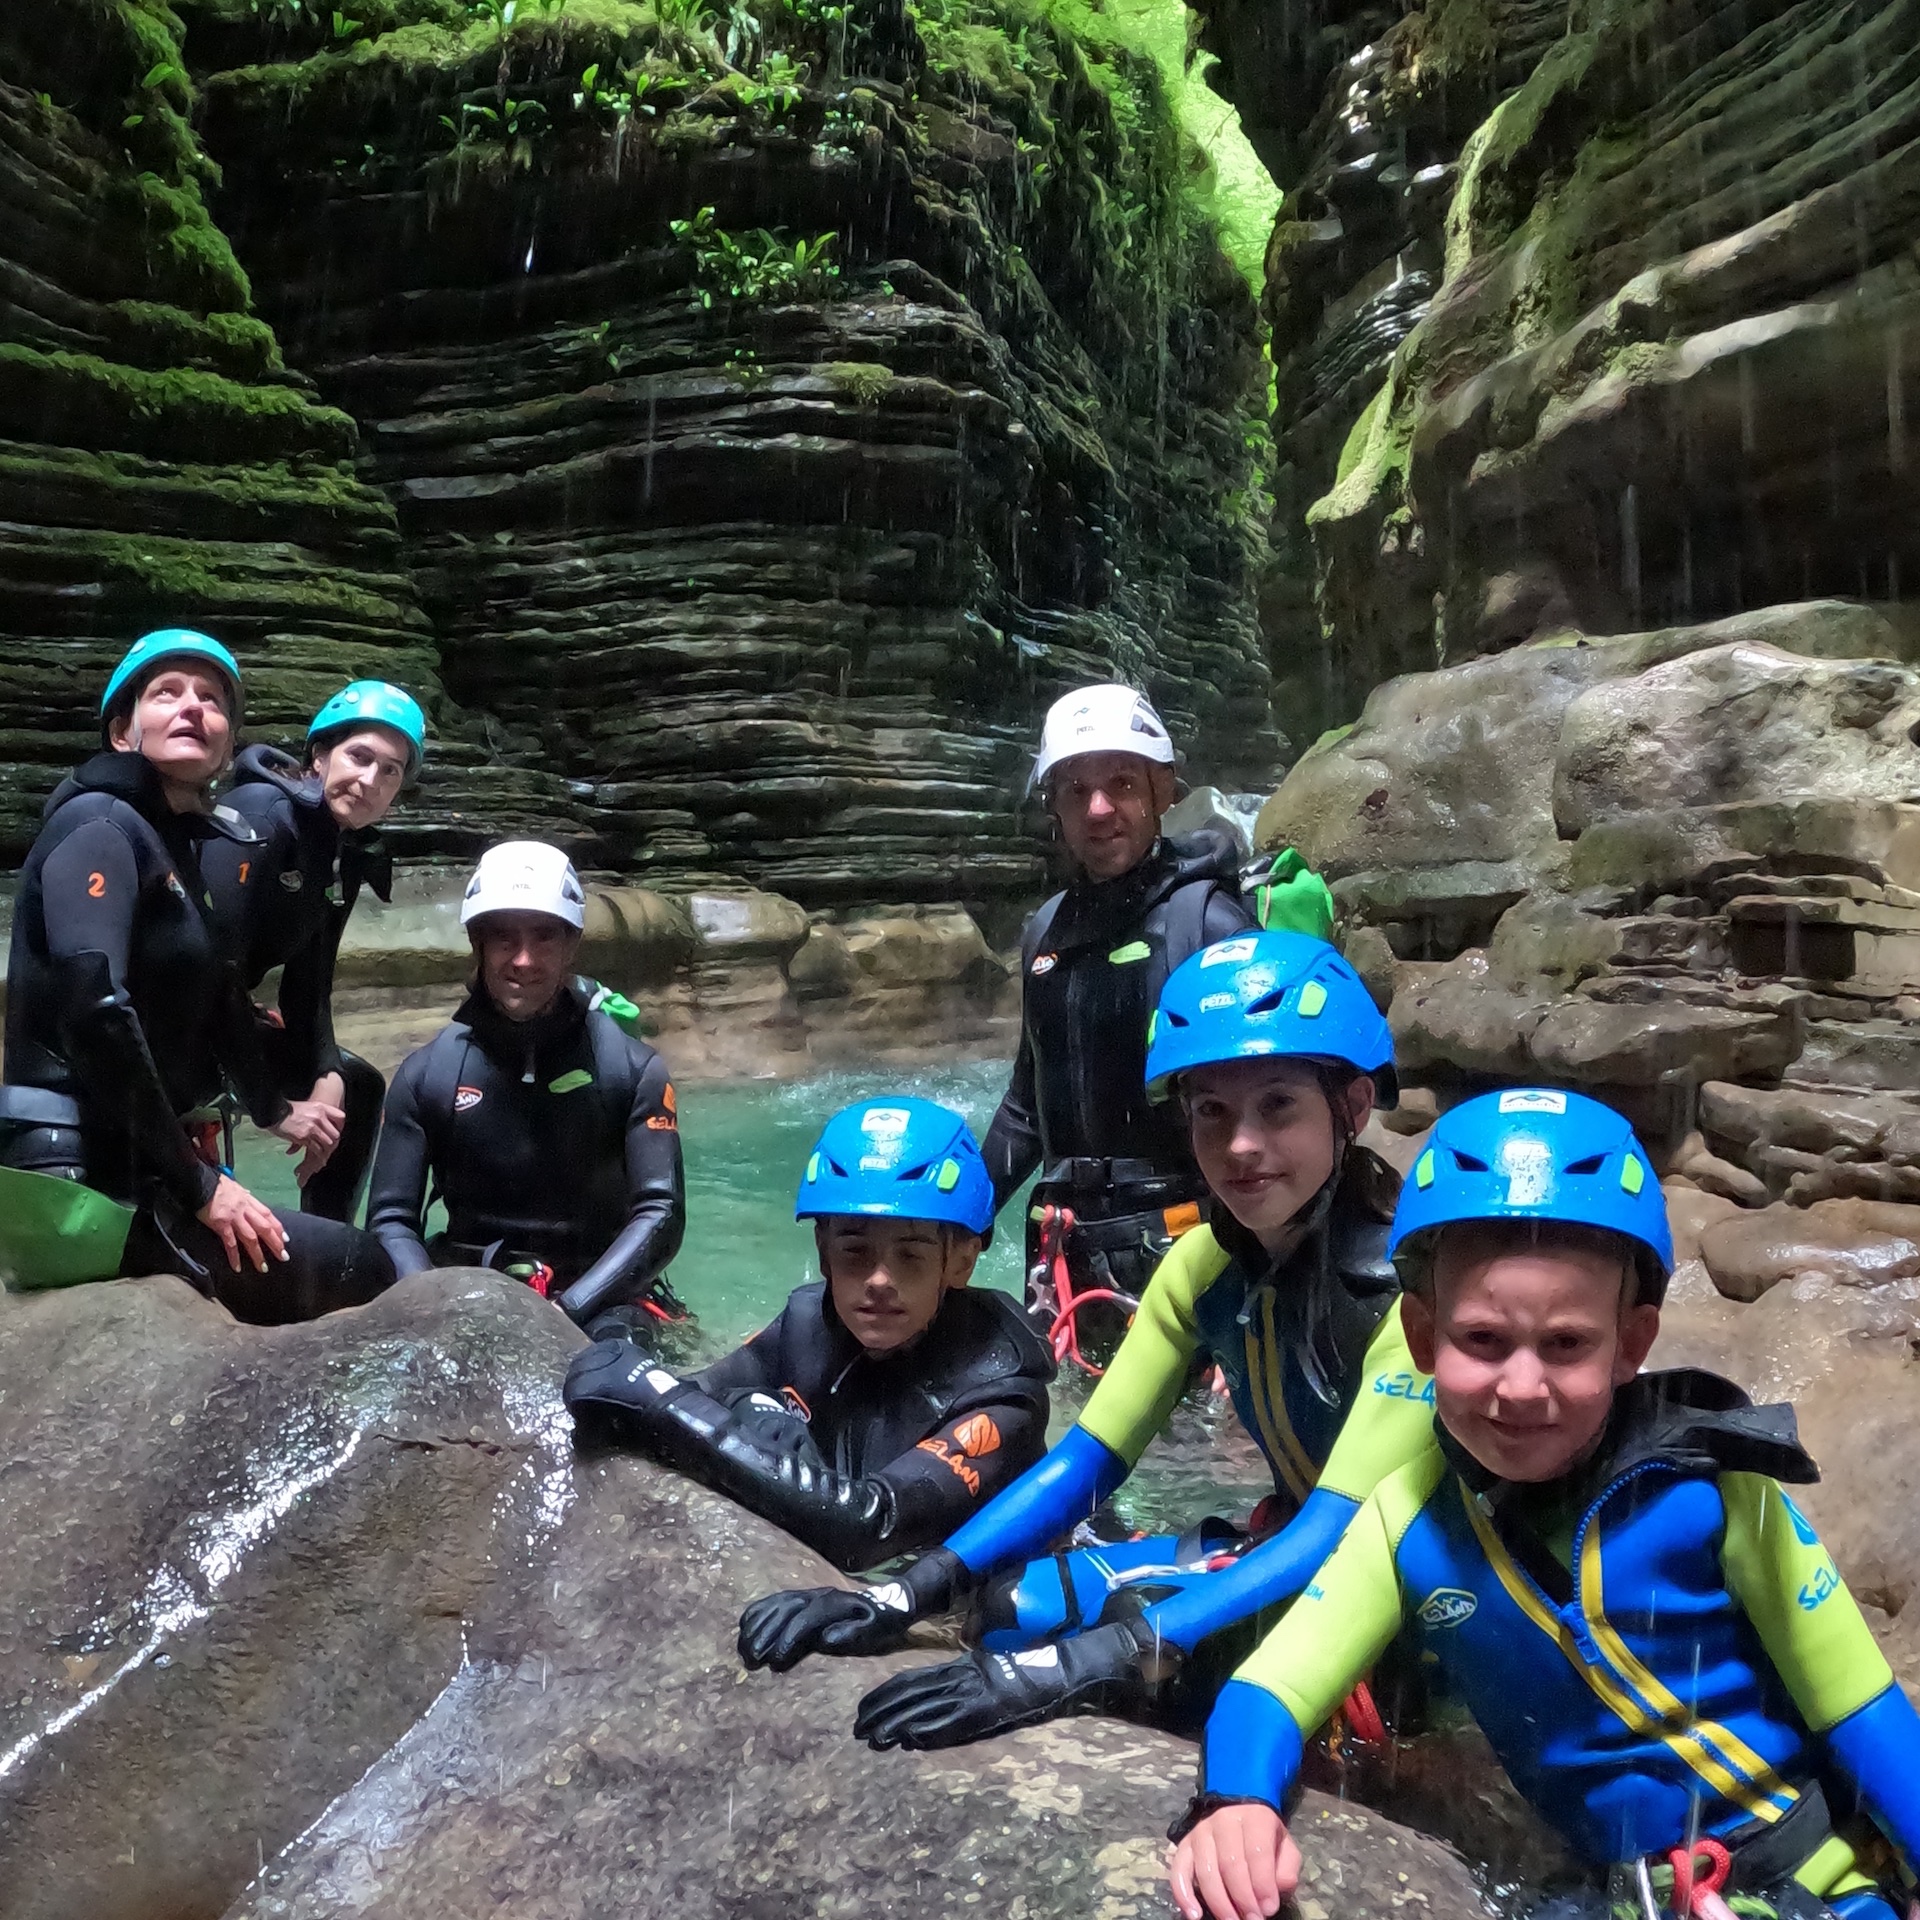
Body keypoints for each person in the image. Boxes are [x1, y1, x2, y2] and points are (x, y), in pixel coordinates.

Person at [1169, 1088, 1920, 1920]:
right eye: (1481, 1341)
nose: (1521, 1388)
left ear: (1630, 1344)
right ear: (1422, 1339)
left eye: (1567, 1345)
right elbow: (1271, 1686)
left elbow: (1863, 1712)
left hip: (1813, 1887)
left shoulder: (1717, 1491)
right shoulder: (1405, 1517)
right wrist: (1233, 1799)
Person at [738, 932, 1437, 1751]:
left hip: (1385, 1588)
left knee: (1130, 1642)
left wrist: (1080, 1664)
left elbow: (1335, 1533)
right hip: (1282, 1541)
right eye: (1211, 1110)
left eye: (1277, 1105)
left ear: (1353, 1107)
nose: (1240, 1145)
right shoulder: (1201, 1266)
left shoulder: (1410, 1298)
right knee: (1003, 1611)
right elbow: (1086, 1463)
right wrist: (904, 1597)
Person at [0, 629, 393, 1320]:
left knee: (336, 1252)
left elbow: (218, 995)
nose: (192, 708)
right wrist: (205, 1186)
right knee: (362, 1267)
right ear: (123, 731)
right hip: (76, 1184)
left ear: (226, 740)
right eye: (166, 693)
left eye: (212, 700)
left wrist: (272, 1108)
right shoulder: (100, 824)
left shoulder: (172, 847)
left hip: (117, 1173)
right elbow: (96, 1009)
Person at [564, 1097, 1055, 1570]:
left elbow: (871, 1525)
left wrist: (659, 1399)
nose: (879, 1281)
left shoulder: (1003, 1394)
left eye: (910, 1255)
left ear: (962, 1261)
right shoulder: (807, 1323)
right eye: (855, 1251)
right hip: (845, 1534)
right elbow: (700, 1392)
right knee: (760, 1415)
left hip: (940, 1582)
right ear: (823, 1252)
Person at [983, 682, 1255, 1355]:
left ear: (1164, 789)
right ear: (1053, 805)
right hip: (1064, 1257)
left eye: (1122, 784)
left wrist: (1257, 1288)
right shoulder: (1045, 932)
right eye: (1076, 790)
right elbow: (1026, 1106)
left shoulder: (1210, 925)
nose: (1099, 809)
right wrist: (953, 1215)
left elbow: (1267, 1122)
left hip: (1189, 1252)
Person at [366, 839, 685, 1338]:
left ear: (572, 944)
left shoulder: (632, 1069)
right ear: (478, 942)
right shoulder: (427, 1074)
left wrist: (569, 1309)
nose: (523, 960)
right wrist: (432, 1306)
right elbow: (389, 1220)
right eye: (503, 939)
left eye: (544, 937)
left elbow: (660, 1214)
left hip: (597, 1298)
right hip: (463, 1289)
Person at [202, 680, 427, 1223]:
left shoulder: (343, 851)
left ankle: (329, 1242)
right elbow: (207, 970)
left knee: (358, 1087)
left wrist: (326, 1074)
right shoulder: (263, 812)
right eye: (359, 757)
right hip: (173, 1016)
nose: (370, 780)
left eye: (390, 771)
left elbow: (310, 982)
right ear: (320, 755)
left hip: (217, 1014)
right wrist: (273, 1108)